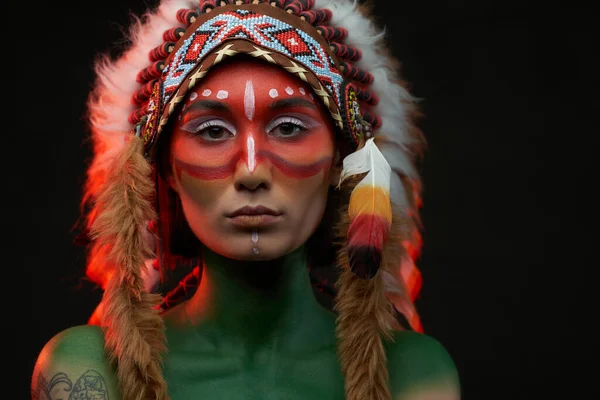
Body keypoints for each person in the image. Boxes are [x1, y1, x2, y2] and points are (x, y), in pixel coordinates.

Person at [31, 1, 460, 399]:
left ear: (339, 163)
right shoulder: (92, 370)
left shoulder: (411, 372)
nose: (252, 171)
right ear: (165, 170)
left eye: (290, 128)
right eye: (212, 131)